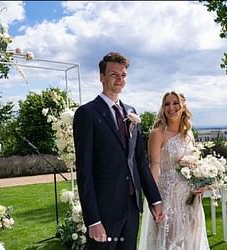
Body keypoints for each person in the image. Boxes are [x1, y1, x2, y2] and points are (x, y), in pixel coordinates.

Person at [73, 52, 164, 249]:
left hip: (131, 209)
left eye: (123, 75)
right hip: (104, 211)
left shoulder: (131, 112)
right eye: (114, 74)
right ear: (101, 76)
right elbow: (84, 172)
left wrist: (154, 199)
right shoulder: (86, 114)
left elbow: (140, 161)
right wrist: (93, 220)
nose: (119, 79)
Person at [138, 91, 209, 249]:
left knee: (191, 240)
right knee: (170, 242)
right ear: (163, 108)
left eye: (175, 103)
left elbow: (195, 165)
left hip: (190, 198)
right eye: (167, 104)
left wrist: (200, 183)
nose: (171, 107)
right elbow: (154, 166)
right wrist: (153, 198)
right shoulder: (158, 134)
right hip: (168, 198)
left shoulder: (189, 134)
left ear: (183, 106)